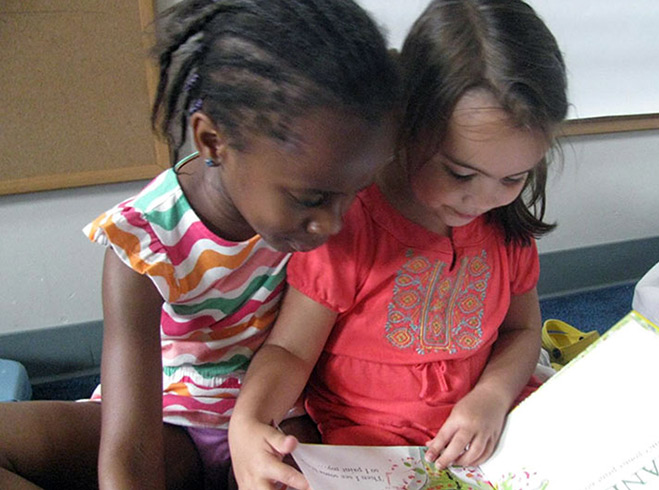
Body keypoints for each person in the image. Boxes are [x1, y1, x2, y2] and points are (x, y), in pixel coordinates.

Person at [0, 1, 398, 488]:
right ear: (212, 141)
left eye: (353, 194)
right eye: (309, 199)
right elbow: (130, 445)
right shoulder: (143, 244)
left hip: (281, 420)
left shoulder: (330, 193)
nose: (334, 224)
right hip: (169, 421)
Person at [228, 0, 569, 488]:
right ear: (407, 124)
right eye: (460, 173)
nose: (482, 199)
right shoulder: (349, 224)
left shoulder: (503, 228)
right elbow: (289, 350)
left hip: (492, 428)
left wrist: (491, 395)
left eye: (513, 177)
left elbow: (521, 332)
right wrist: (249, 420)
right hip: (371, 448)